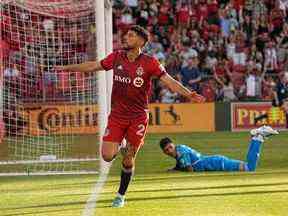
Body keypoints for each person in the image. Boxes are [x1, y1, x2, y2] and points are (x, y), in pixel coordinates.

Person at [54, 25, 205, 208]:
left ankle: (120, 195)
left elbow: (169, 82)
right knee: (107, 156)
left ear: (141, 41)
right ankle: (121, 144)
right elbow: (94, 65)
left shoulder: (150, 63)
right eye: (126, 36)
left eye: (131, 36)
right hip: (117, 115)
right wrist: (67, 68)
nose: (126, 38)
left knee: (128, 159)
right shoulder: (116, 57)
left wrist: (189, 94)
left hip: (138, 118)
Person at [159, 125, 279, 172]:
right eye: (167, 150)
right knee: (248, 167)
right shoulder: (180, 149)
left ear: (173, 144)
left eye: (170, 147)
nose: (170, 150)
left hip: (216, 163)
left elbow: (189, 169)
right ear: (164, 152)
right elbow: (181, 164)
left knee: (249, 168)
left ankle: (257, 137)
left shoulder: (181, 153)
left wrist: (176, 171)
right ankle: (257, 137)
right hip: (215, 161)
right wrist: (174, 169)